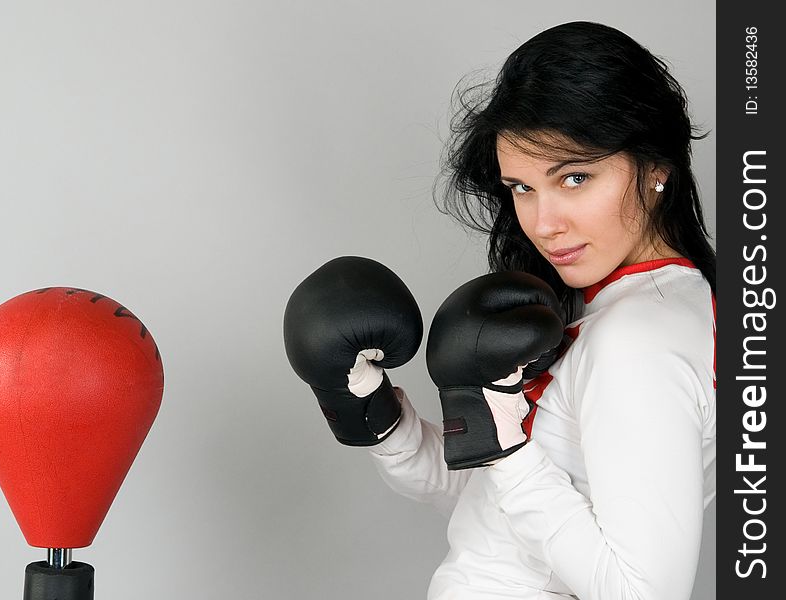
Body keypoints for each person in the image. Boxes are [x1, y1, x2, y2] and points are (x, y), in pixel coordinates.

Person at [284, 20, 715, 600]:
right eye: (522, 187)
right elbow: (494, 516)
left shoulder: (639, 336)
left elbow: (640, 591)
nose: (543, 223)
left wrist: (510, 450)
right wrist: (378, 414)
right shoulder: (611, 309)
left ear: (655, 166)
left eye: (575, 178)